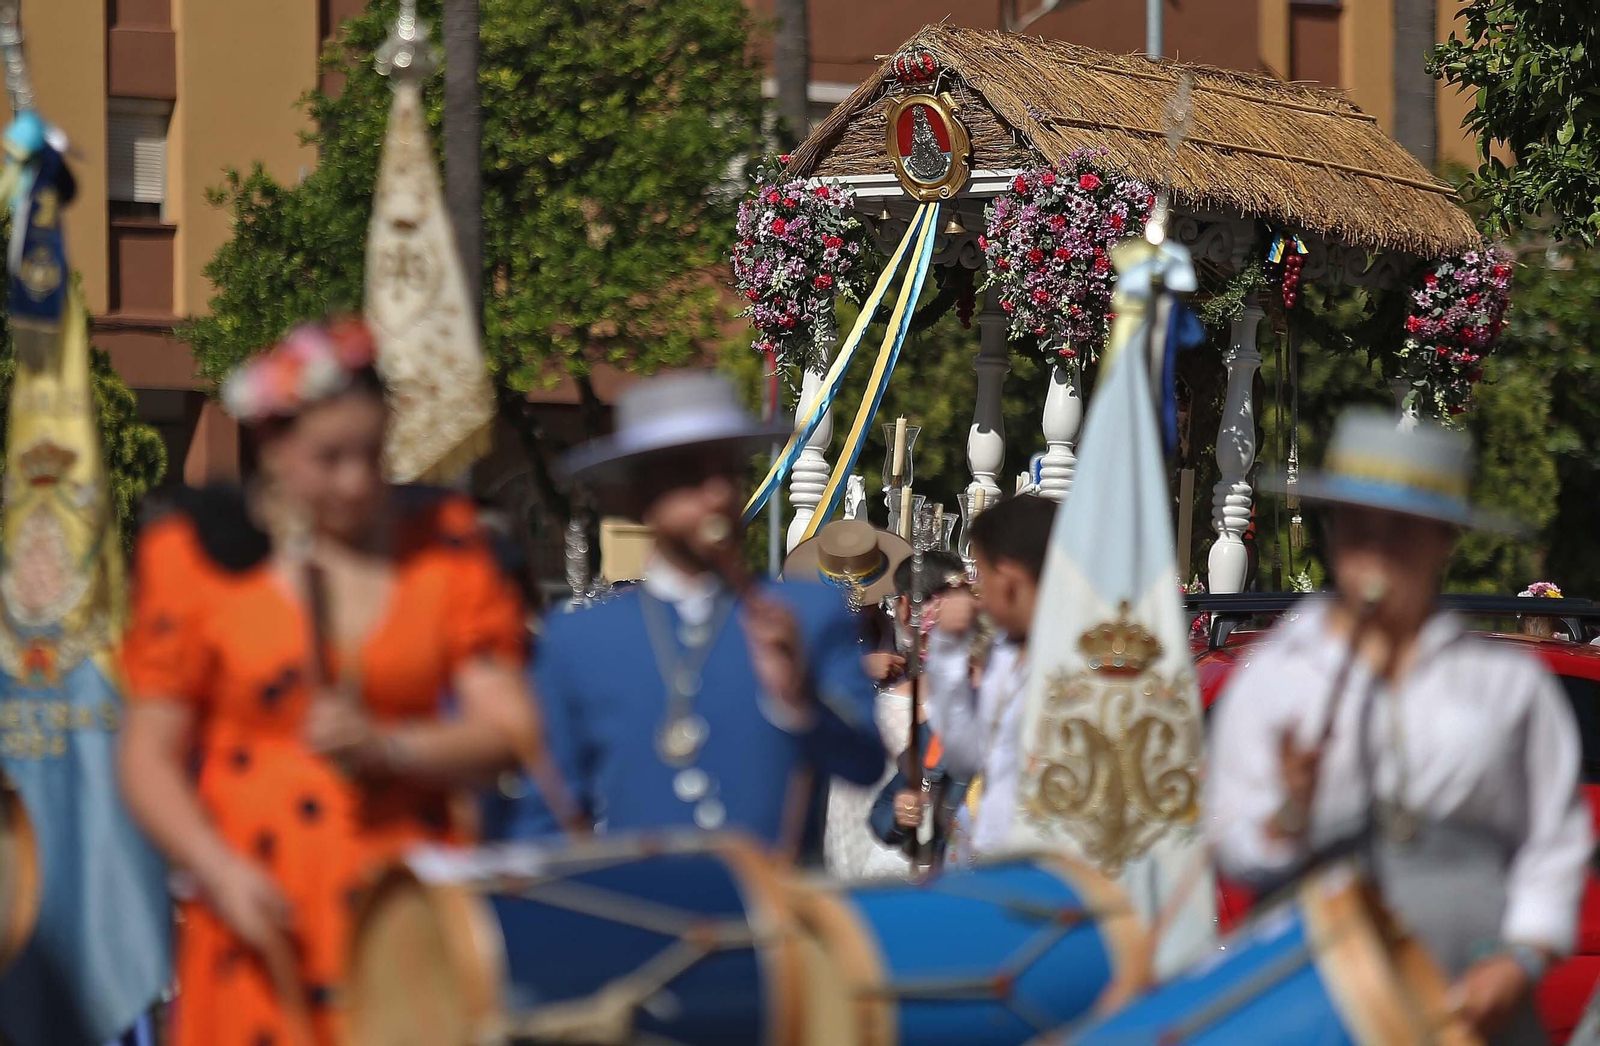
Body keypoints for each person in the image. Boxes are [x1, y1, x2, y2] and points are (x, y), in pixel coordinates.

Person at [117, 320, 538, 1046]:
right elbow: (146, 755)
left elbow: (511, 730)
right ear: (272, 449)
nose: (357, 482)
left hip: (405, 910)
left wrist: (392, 745)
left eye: (373, 454)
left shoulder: (446, 548)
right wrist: (217, 872)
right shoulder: (198, 560)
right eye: (330, 458)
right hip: (258, 905)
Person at [1205, 409, 1592, 1046]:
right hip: (1314, 1000)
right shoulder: (1276, 677)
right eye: (1359, 531)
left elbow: (1554, 843)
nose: (1376, 553)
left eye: (1402, 533)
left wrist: (1519, 958)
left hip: (1473, 1006)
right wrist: (1290, 816)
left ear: (1442, 540)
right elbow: (1232, 845)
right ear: (1334, 537)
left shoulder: (1504, 683)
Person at [524, 372, 886, 858]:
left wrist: (800, 700)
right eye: (691, 475)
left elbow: (864, 764)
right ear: (638, 496)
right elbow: (544, 815)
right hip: (642, 920)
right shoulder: (578, 640)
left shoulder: (810, 613)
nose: (717, 494)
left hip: (779, 919)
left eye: (727, 472)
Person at [922, 494, 1057, 858]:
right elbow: (968, 755)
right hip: (991, 859)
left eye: (983, 576)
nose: (978, 596)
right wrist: (947, 650)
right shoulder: (1005, 652)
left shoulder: (1076, 662)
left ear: (1010, 582)